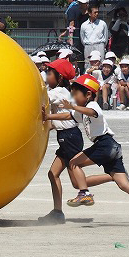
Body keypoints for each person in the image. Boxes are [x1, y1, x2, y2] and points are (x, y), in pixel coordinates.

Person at [44, 74, 129, 227]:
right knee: (123, 184)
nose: (73, 97)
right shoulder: (81, 110)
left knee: (74, 162)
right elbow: (69, 115)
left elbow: (92, 113)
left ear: (88, 94)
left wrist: (73, 106)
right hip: (111, 147)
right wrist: (48, 116)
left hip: (104, 144)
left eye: (76, 94)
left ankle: (84, 193)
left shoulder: (93, 105)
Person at [37, 59, 83, 225]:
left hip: (69, 137)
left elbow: (39, 98)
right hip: (66, 138)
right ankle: (58, 212)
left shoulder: (59, 92)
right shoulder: (61, 91)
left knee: (77, 183)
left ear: (60, 77)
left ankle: (113, 176)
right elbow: (54, 123)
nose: (46, 76)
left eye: (49, 73)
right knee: (53, 174)